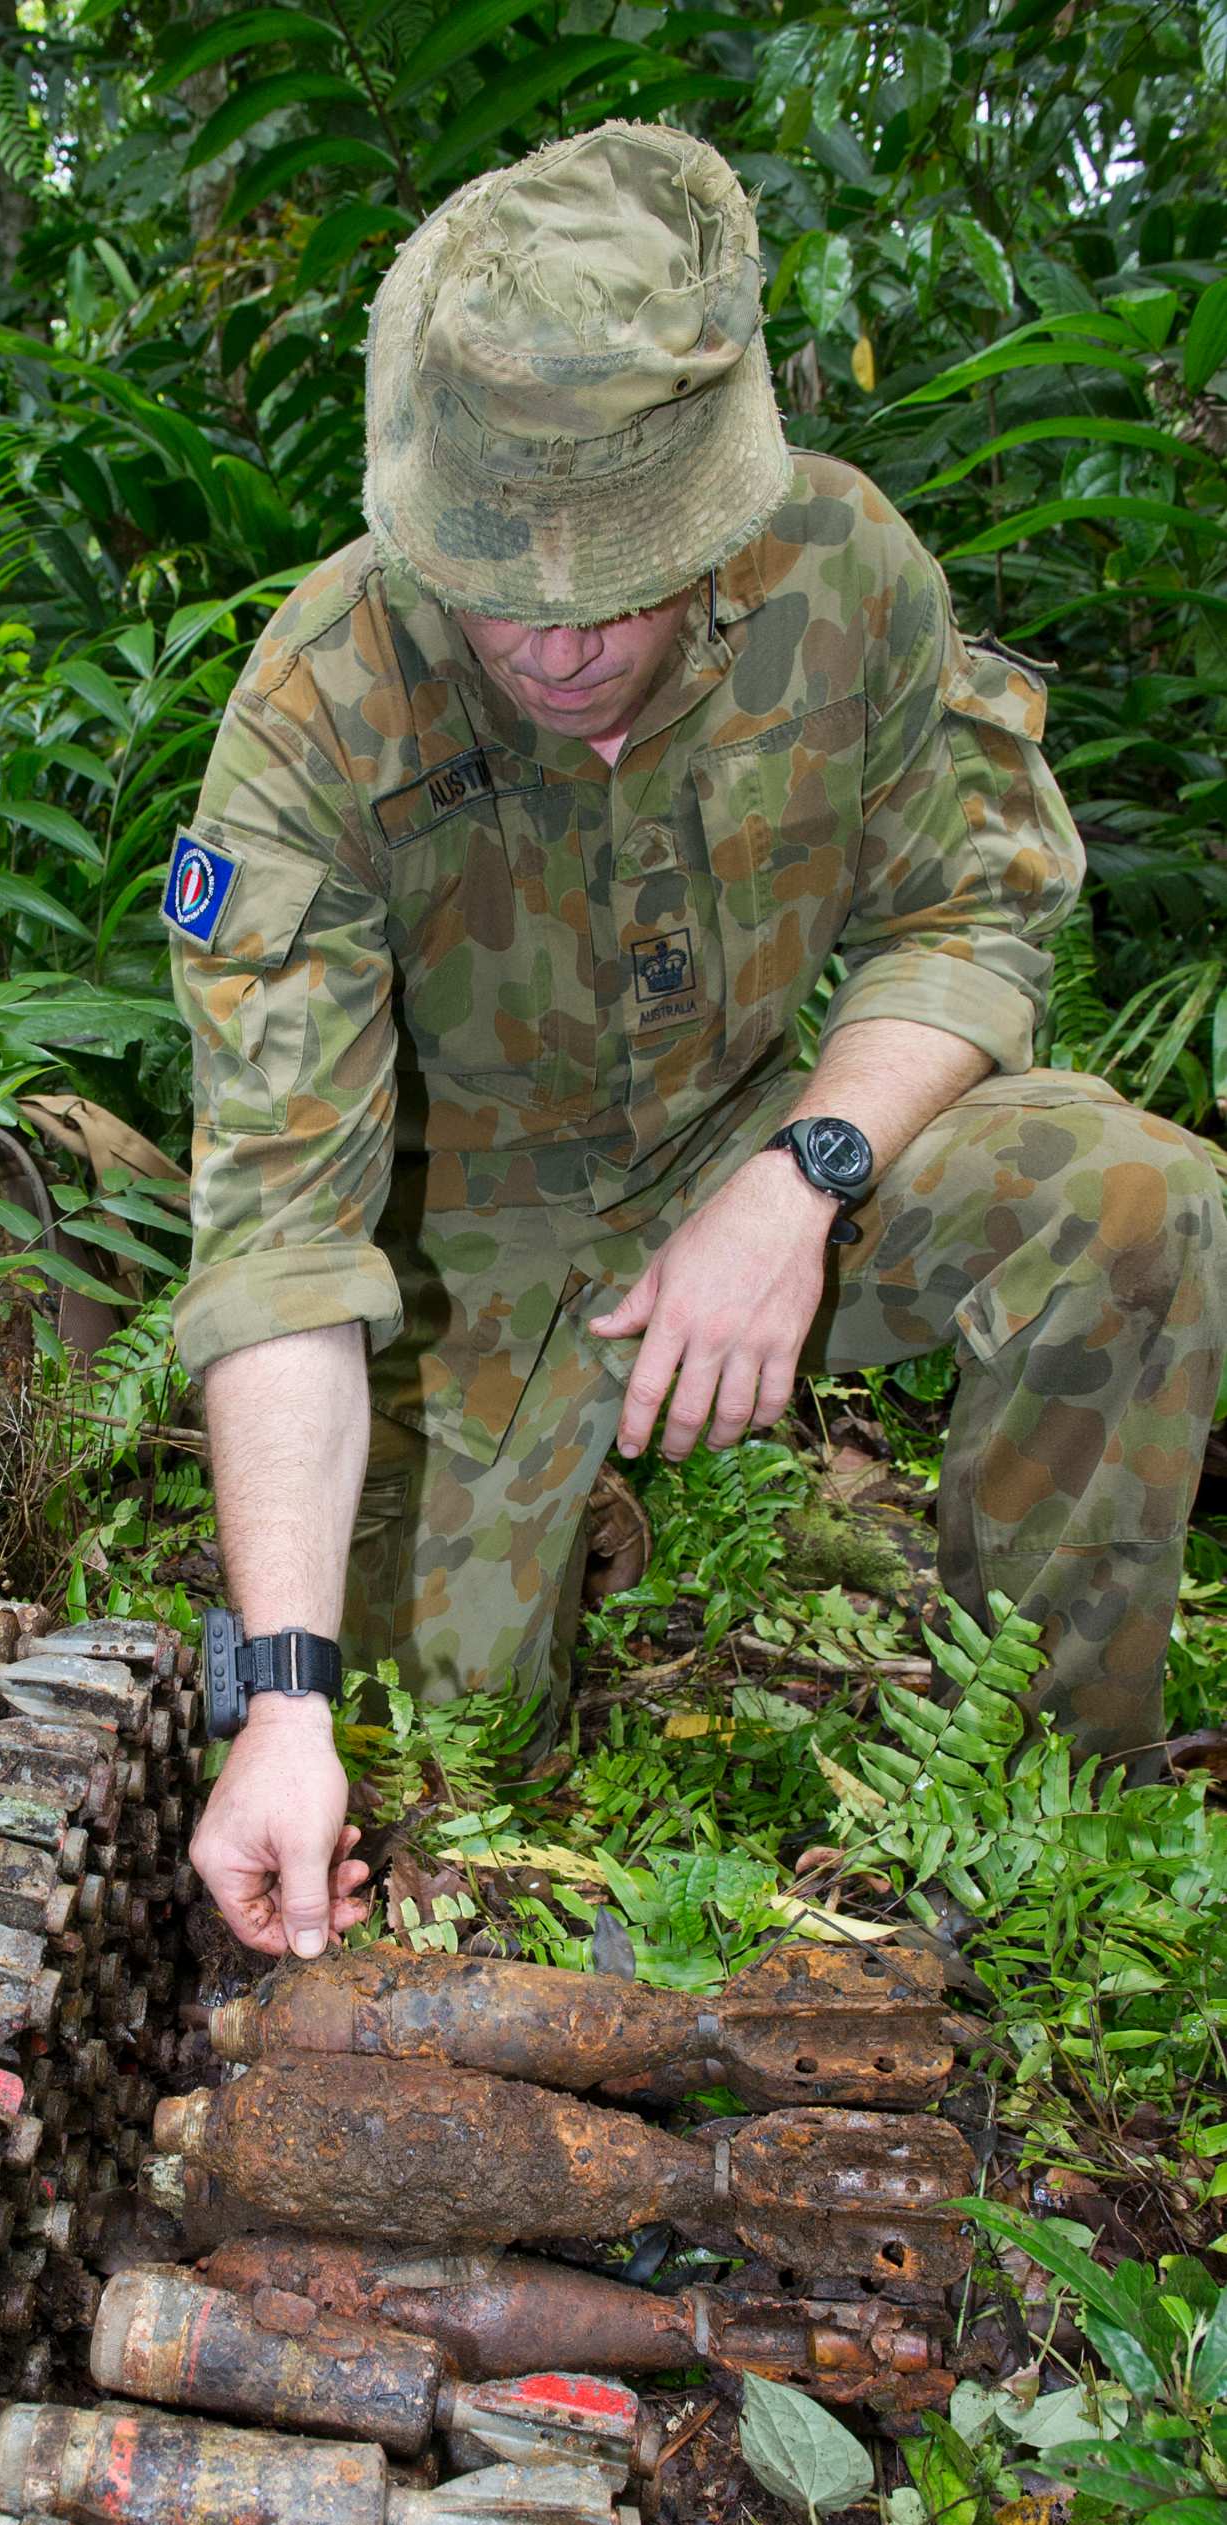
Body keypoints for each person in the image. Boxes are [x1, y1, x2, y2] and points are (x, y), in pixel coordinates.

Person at [166, 119, 1226, 1961]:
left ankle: (1057, 1835)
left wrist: (800, 1182)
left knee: (1133, 1200)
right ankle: (546, 1525)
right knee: (443, 1744)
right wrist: (281, 1694)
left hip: (769, 1130)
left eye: (618, 585)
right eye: (505, 584)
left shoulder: (844, 572)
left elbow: (966, 914)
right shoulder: (316, 707)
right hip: (465, 1248)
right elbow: (280, 1239)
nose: (559, 643)